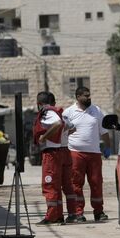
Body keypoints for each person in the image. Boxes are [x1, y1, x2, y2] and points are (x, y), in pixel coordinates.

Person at [63, 87, 111, 222]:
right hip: (75, 153)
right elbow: (62, 132)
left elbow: (104, 131)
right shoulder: (69, 112)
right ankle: (78, 213)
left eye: (89, 96)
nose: (89, 98)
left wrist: (107, 147)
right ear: (78, 97)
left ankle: (99, 212)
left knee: (96, 183)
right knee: (76, 184)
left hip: (94, 154)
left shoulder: (96, 110)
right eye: (86, 96)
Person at [33, 91, 65, 226]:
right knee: (55, 186)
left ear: (39, 104)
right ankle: (57, 215)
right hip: (56, 152)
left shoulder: (47, 112)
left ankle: (51, 216)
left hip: (51, 154)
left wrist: (44, 137)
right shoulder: (55, 111)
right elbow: (69, 127)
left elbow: (58, 124)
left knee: (49, 185)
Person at [47, 92, 78, 223]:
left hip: (56, 151)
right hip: (66, 150)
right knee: (68, 185)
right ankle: (72, 213)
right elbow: (73, 128)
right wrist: (65, 135)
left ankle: (57, 215)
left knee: (55, 184)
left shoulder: (49, 115)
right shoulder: (63, 116)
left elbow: (55, 127)